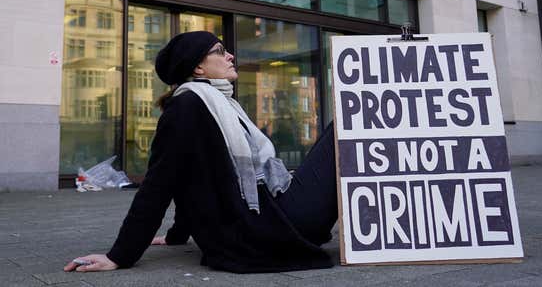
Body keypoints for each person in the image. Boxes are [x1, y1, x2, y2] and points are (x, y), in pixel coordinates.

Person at [64, 31, 338, 274]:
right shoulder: (188, 107)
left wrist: (177, 234)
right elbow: (160, 184)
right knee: (343, 125)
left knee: (340, 125)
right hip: (279, 222)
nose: (230, 55)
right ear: (198, 67)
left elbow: (198, 178)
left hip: (278, 212)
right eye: (219, 51)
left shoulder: (218, 104)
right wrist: (119, 256)